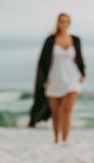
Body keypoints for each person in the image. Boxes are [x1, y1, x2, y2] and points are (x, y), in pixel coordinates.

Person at [28, 12, 86, 143]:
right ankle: (56, 140)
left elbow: (80, 58)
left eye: (66, 21)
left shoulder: (75, 39)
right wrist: (43, 79)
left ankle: (65, 140)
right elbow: (42, 61)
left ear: (69, 23)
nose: (64, 24)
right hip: (54, 77)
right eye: (61, 21)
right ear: (58, 23)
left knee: (67, 109)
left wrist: (83, 73)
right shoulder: (50, 40)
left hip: (72, 77)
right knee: (56, 112)